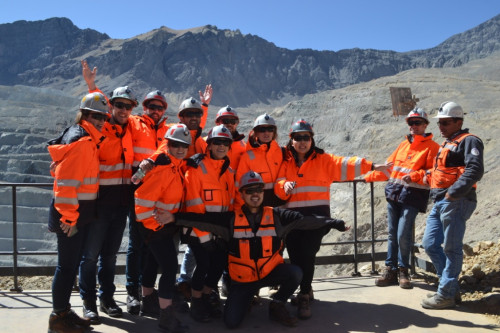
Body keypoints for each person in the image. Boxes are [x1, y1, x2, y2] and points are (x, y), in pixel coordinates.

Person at [170, 171, 350, 328]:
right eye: (249, 191)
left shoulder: (278, 216)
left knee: (295, 272)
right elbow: (202, 220)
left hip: (269, 274)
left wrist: (334, 223)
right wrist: (173, 217)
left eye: (258, 190)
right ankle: (246, 299)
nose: (255, 194)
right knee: (231, 323)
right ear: (241, 194)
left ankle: (277, 304)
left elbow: (306, 220)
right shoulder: (230, 220)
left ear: (263, 192)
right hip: (242, 282)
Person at [274, 119, 389, 319]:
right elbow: (278, 182)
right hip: (292, 220)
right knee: (295, 256)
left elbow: (346, 164)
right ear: (291, 140)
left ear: (312, 139)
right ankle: (307, 290)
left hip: (317, 219)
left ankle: (303, 296)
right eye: (298, 137)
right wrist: (283, 187)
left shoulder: (324, 160)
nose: (302, 141)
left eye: (306, 138)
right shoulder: (284, 161)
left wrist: (372, 165)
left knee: (308, 255)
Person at [47, 92, 108, 333]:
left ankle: (63, 311)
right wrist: (70, 218)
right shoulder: (83, 141)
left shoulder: (86, 138)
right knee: (67, 266)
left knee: (70, 266)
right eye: (96, 116)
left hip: (78, 213)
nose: (101, 121)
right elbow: (66, 185)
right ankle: (58, 318)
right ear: (84, 114)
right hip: (71, 215)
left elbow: (64, 173)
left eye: (104, 117)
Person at [78, 85, 137, 324]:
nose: (123, 110)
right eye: (119, 105)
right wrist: (92, 87)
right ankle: (88, 303)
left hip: (121, 202)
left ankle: (107, 299)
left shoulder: (132, 128)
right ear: (111, 105)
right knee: (90, 255)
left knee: (110, 256)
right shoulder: (101, 127)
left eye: (128, 106)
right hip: (99, 202)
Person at [365, 108, 440, 289]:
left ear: (425, 125)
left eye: (418, 123)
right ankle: (390, 269)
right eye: (411, 123)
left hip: (413, 197)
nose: (414, 126)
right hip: (395, 194)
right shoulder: (403, 144)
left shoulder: (432, 147)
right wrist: (368, 177)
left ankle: (403, 270)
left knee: (402, 234)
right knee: (392, 234)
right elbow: (390, 168)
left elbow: (434, 173)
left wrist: (414, 176)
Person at [420, 101, 484, 309]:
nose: (441, 127)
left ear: (459, 121)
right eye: (439, 123)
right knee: (430, 244)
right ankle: (450, 288)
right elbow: (443, 172)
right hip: (441, 201)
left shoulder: (469, 141)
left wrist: (452, 194)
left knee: (451, 248)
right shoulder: (449, 142)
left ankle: (446, 294)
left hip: (456, 201)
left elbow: (474, 170)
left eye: (446, 122)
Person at [134, 124, 191, 332]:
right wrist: (155, 227)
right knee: (168, 268)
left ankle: (148, 302)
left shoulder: (171, 163)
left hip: (158, 226)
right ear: (168, 144)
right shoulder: (164, 168)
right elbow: (141, 199)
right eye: (175, 145)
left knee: (151, 262)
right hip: (155, 227)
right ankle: (166, 315)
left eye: (184, 146)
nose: (180, 149)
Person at [182, 124, 235, 322]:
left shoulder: (229, 171)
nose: (221, 146)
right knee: (203, 265)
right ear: (209, 145)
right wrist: (204, 237)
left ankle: (205, 296)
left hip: (220, 232)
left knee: (218, 266)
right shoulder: (196, 168)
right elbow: (194, 205)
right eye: (217, 142)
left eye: (225, 142)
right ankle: (196, 303)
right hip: (199, 232)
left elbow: (231, 203)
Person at [236, 113, 285, 208]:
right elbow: (239, 186)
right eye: (262, 130)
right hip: (257, 208)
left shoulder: (282, 152)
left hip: (280, 206)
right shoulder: (247, 157)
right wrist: (243, 210)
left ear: (274, 132)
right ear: (256, 132)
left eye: (270, 129)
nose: (266, 133)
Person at [214, 106, 246, 170]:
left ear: (236, 124)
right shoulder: (206, 142)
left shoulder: (243, 146)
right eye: (225, 121)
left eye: (233, 121)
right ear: (217, 123)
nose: (229, 124)